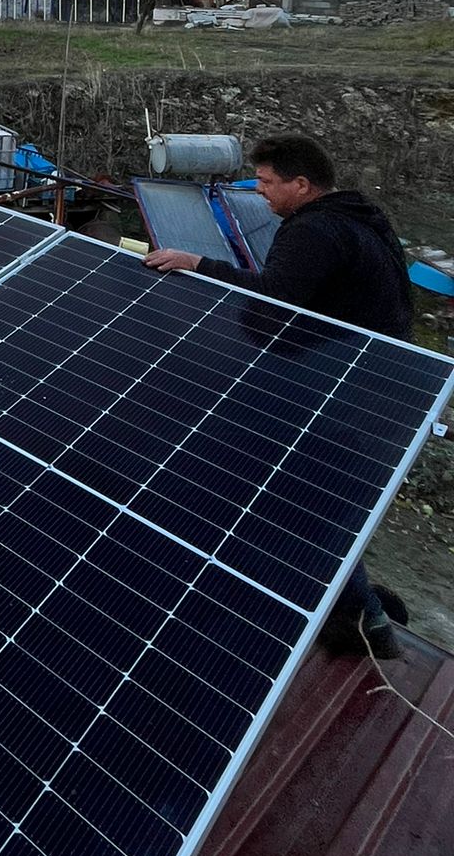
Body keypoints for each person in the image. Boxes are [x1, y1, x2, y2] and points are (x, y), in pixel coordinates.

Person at [145, 132, 412, 658]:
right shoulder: (358, 217)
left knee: (301, 501)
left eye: (267, 182)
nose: (260, 191)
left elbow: (273, 308)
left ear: (302, 184)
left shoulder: (314, 231)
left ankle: (367, 621)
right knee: (317, 500)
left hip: (343, 396)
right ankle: (348, 598)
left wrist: (199, 266)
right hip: (377, 385)